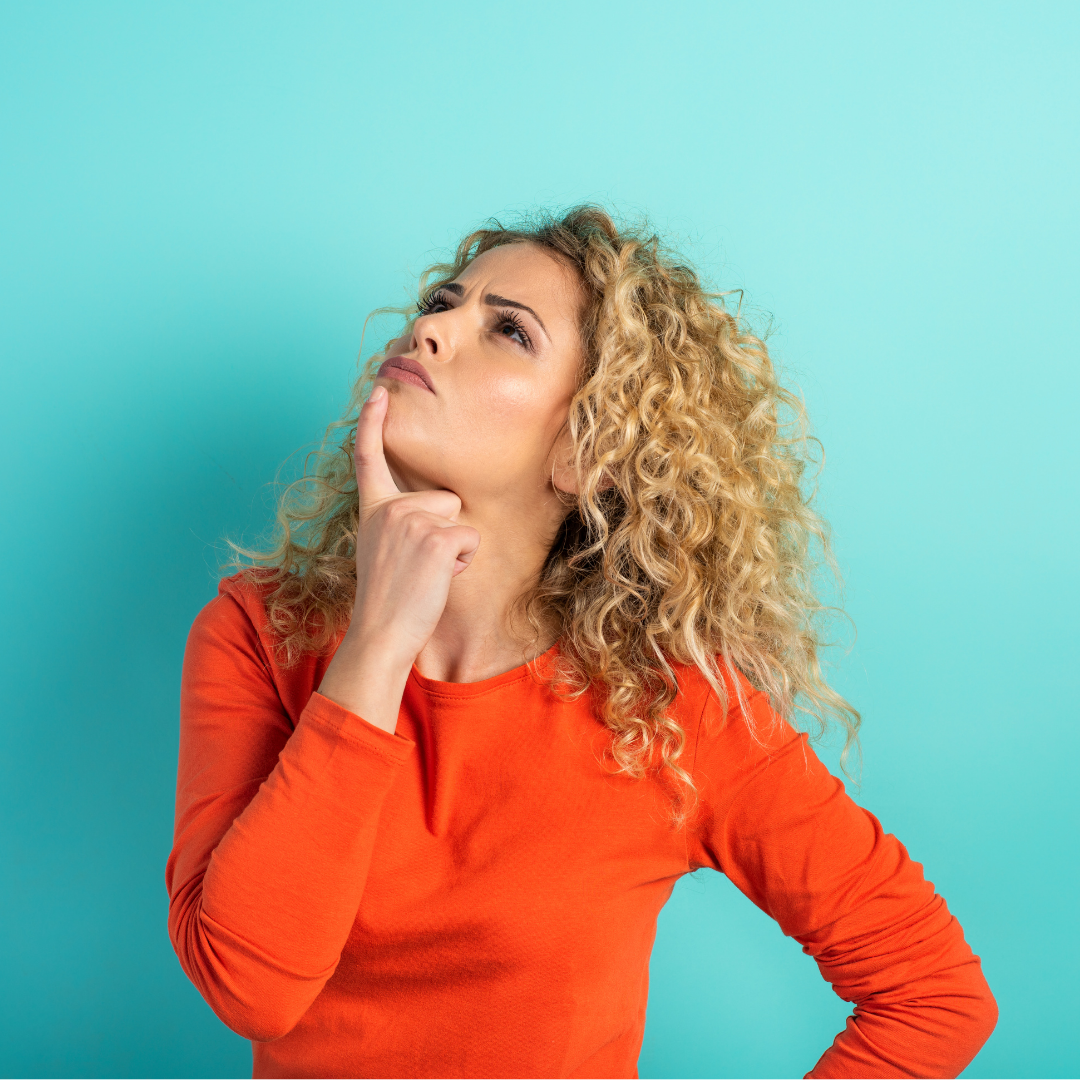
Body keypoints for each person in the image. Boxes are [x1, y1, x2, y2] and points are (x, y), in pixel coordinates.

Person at [167, 206, 997, 1079]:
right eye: (444, 301)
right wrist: (377, 640)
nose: (433, 327)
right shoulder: (262, 630)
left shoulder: (670, 709)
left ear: (584, 451)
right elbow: (248, 986)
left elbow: (933, 992)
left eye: (509, 331)